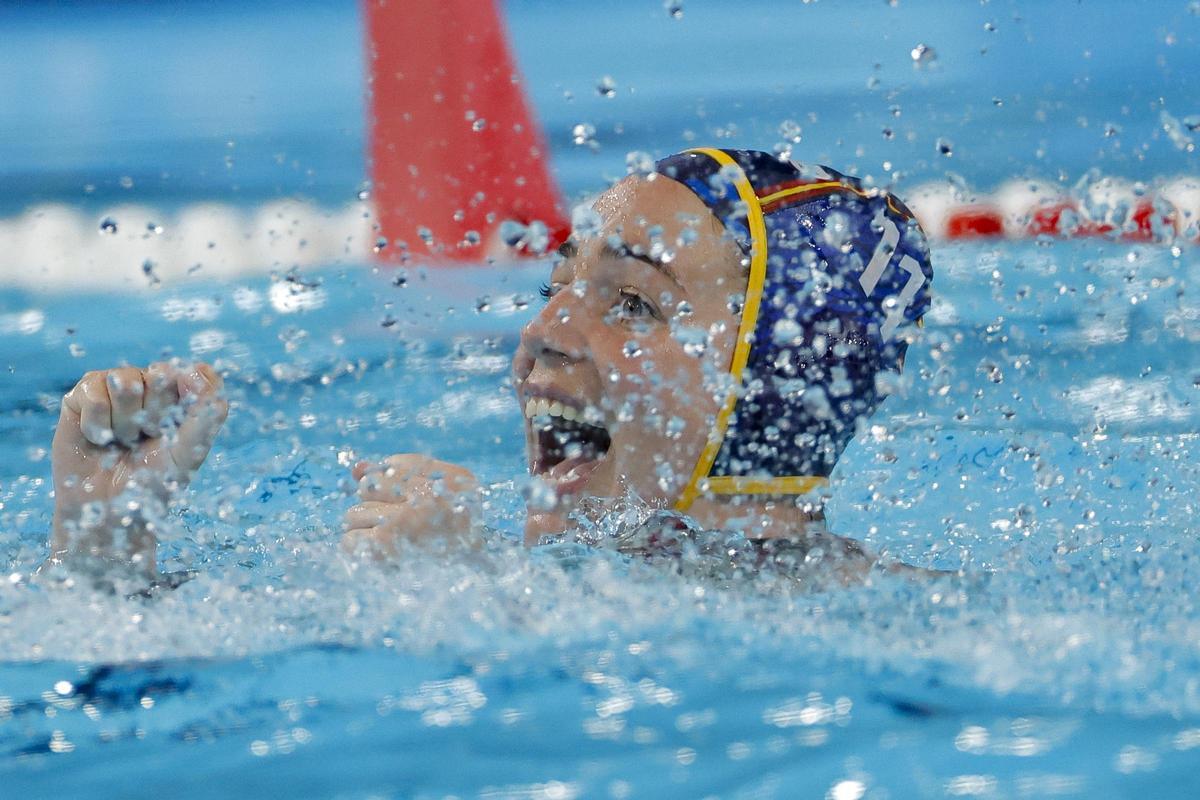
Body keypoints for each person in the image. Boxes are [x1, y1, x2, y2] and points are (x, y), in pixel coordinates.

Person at [44, 148, 933, 582]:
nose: (541, 332)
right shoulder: (555, 578)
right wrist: (105, 546)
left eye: (631, 302)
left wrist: (466, 607)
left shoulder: (879, 627)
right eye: (556, 285)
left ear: (768, 386)